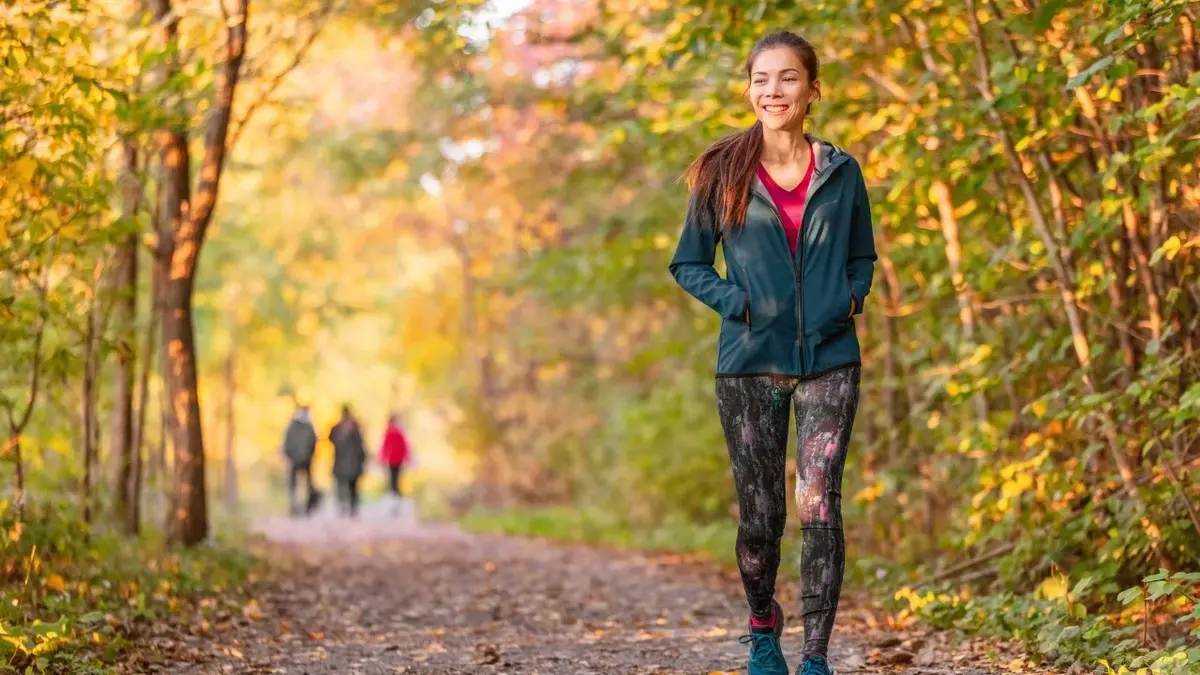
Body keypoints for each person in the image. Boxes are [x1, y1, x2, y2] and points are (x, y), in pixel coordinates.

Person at [668, 30, 876, 675]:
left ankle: (815, 654)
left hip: (831, 358)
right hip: (749, 363)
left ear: (813, 89)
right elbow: (688, 264)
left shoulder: (841, 172)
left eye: (788, 78)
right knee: (762, 516)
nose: (773, 91)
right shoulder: (721, 171)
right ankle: (763, 626)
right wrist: (743, 304)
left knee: (819, 505)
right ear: (749, 89)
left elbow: (862, 255)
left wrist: (848, 300)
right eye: (761, 79)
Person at [329, 404, 367, 518]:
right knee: (351, 487)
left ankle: (346, 506)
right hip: (350, 463)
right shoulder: (353, 428)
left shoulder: (339, 428)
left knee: (345, 486)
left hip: (343, 463)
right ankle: (350, 507)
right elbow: (361, 446)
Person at [281, 402, 319, 517]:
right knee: (299, 485)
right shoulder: (304, 426)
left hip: (302, 460)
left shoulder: (295, 426)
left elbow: (313, 443)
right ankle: (297, 506)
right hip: (300, 460)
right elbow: (313, 442)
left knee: (302, 485)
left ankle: (302, 506)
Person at [378, 413, 411, 499]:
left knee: (393, 476)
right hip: (396, 458)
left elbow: (385, 446)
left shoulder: (391, 432)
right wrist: (407, 457)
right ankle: (395, 492)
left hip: (393, 458)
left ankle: (394, 492)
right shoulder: (398, 432)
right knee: (395, 476)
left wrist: (382, 457)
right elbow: (404, 446)